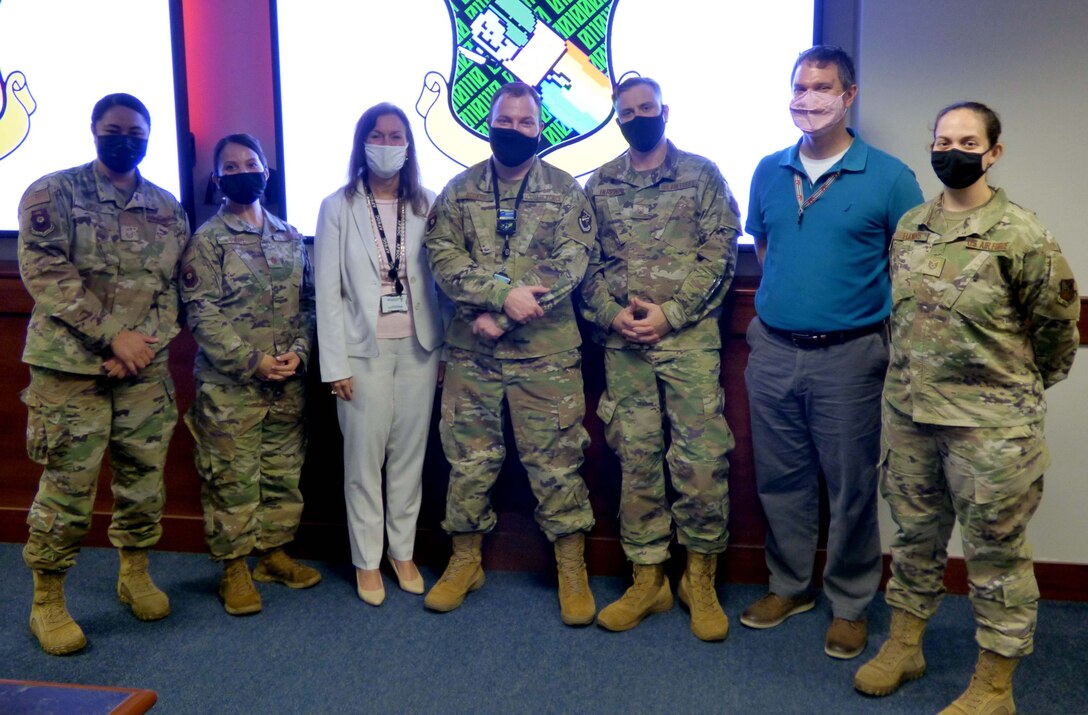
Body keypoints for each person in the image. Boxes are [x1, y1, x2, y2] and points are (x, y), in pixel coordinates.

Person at [854, 102, 1079, 714]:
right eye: (943, 138)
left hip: (992, 432)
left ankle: (994, 686)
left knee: (996, 555)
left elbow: (1058, 335)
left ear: (993, 152)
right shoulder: (910, 226)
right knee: (914, 537)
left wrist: (1010, 394)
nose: (953, 149)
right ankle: (906, 644)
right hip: (911, 416)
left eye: (968, 140)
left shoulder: (1023, 235)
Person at [742, 46, 923, 659]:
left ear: (849, 96)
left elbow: (912, 267)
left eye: (823, 88)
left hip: (850, 357)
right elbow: (765, 248)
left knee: (849, 487)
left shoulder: (891, 176)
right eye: (800, 87)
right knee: (781, 478)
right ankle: (790, 586)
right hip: (771, 351)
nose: (809, 99)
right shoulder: (768, 169)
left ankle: (849, 603)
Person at [17, 93, 190, 654]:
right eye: (115, 129)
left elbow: (173, 293)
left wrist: (139, 348)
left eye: (137, 131)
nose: (126, 138)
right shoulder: (52, 192)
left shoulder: (168, 207)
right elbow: (46, 273)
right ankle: (47, 599)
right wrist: (110, 335)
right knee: (68, 488)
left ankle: (134, 572)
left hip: (142, 371)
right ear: (95, 129)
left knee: (142, 482)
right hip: (71, 371)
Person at [423, 81, 597, 625]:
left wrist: (500, 314)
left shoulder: (567, 191)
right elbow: (440, 255)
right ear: (490, 122)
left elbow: (571, 264)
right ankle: (465, 560)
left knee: (557, 463)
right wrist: (501, 296)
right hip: (473, 356)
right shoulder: (459, 190)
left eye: (526, 123)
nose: (515, 130)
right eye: (506, 120)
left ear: (539, 128)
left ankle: (572, 567)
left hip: (545, 357)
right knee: (468, 462)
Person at [579, 77, 739, 641]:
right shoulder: (598, 184)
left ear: (664, 111)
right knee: (637, 460)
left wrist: (672, 312)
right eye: (628, 111)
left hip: (689, 342)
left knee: (699, 465)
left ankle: (700, 579)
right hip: (624, 347)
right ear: (616, 118)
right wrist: (609, 315)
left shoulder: (702, 175)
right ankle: (648, 580)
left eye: (647, 108)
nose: (638, 117)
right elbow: (584, 264)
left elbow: (721, 252)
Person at [180, 133, 320, 616]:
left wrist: (299, 353)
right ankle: (234, 568)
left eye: (251, 163)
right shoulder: (207, 241)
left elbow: (309, 305)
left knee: (283, 474)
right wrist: (252, 360)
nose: (243, 172)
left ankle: (274, 554)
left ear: (266, 170)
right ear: (218, 179)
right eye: (231, 166)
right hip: (231, 386)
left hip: (287, 382)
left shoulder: (289, 235)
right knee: (232, 479)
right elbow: (201, 312)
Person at [314, 103, 447, 606]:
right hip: (360, 352)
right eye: (378, 135)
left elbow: (442, 286)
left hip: (419, 349)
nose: (387, 144)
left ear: (408, 145)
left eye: (396, 136)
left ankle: (403, 552)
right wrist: (335, 366)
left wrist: (448, 353)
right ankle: (367, 560)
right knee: (363, 459)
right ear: (362, 143)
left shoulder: (427, 205)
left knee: (409, 458)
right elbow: (328, 292)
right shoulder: (338, 206)